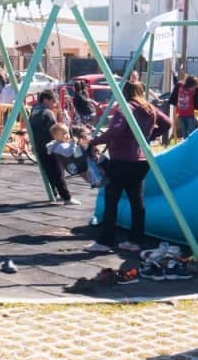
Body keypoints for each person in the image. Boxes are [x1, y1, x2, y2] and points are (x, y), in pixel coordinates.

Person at [86, 81, 170, 253]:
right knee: (137, 201)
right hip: (141, 161)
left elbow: (116, 130)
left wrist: (94, 141)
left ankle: (106, 241)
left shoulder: (124, 108)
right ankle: (135, 240)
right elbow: (167, 122)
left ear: (123, 92)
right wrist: (147, 137)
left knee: (112, 199)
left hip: (121, 160)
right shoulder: (149, 108)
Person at [30, 90, 79, 206]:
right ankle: (67, 197)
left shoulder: (34, 111)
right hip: (51, 146)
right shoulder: (47, 113)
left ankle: (53, 193)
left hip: (39, 146)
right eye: (53, 101)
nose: (54, 104)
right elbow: (55, 131)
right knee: (58, 172)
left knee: (49, 172)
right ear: (46, 100)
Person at [46, 123, 103, 188]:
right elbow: (68, 153)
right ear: (55, 137)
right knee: (89, 160)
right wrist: (73, 142)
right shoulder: (59, 146)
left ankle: (92, 180)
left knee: (85, 154)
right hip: (73, 166)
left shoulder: (62, 143)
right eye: (64, 134)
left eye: (67, 133)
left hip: (73, 163)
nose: (67, 135)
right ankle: (97, 180)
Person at [168, 75, 198, 140]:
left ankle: (191, 142)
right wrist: (174, 75)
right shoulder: (180, 86)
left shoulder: (193, 91)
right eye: (193, 87)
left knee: (191, 130)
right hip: (181, 115)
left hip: (190, 115)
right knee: (184, 131)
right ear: (188, 86)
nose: (194, 88)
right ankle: (186, 141)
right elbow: (176, 82)